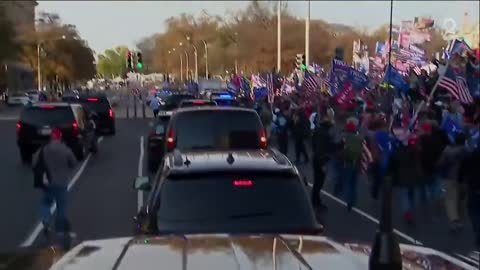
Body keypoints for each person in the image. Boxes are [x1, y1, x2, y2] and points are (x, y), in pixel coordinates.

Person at [32, 128, 77, 239]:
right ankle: (60, 231)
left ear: (51, 137)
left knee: (45, 202)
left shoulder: (44, 149)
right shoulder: (65, 149)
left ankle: (46, 222)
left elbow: (34, 162)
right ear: (60, 137)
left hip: (47, 182)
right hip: (61, 182)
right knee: (61, 207)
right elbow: (73, 162)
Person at [437, 133, 467, 232]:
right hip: (463, 179)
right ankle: (460, 219)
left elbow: (441, 163)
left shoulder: (448, 151)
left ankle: (454, 220)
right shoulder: (468, 151)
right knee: (460, 200)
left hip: (449, 178)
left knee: (450, 200)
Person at [311, 109, 338, 211]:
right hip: (321, 159)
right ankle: (315, 201)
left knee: (318, 181)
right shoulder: (325, 133)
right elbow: (322, 148)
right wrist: (323, 162)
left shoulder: (319, 130)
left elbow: (314, 144)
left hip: (318, 158)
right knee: (319, 181)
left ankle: (315, 200)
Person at [338, 118, 363, 210]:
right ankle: (353, 200)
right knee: (354, 183)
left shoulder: (345, 138)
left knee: (348, 182)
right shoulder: (359, 138)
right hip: (356, 163)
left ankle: (349, 201)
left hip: (347, 163)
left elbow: (341, 150)